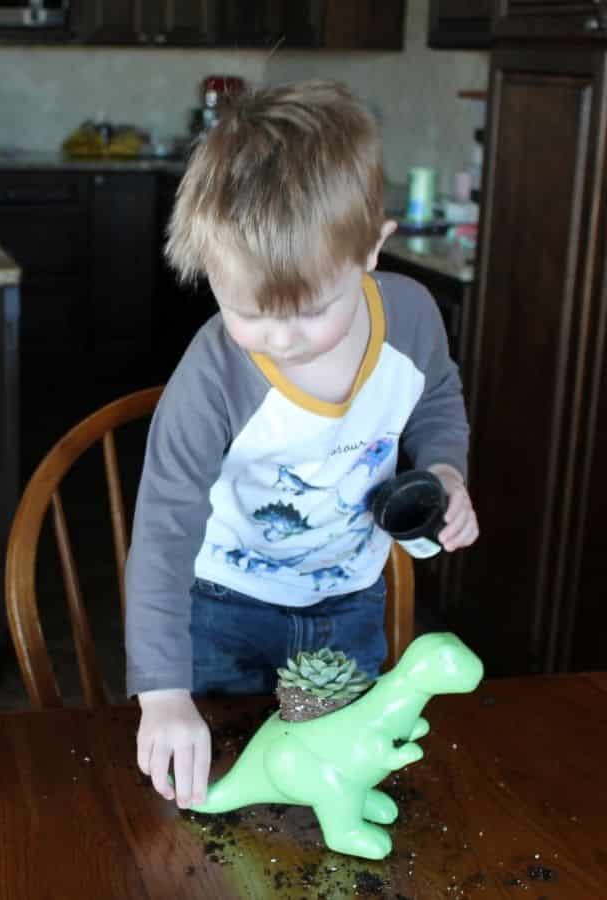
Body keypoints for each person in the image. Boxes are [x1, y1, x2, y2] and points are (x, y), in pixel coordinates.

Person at [126, 81, 480, 809]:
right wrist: (162, 694)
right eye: (250, 313)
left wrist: (446, 469)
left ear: (373, 249)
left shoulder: (410, 320)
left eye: (312, 311)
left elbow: (437, 398)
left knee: (335, 776)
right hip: (222, 608)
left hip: (350, 603)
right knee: (226, 786)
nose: (280, 341)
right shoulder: (212, 376)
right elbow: (161, 535)